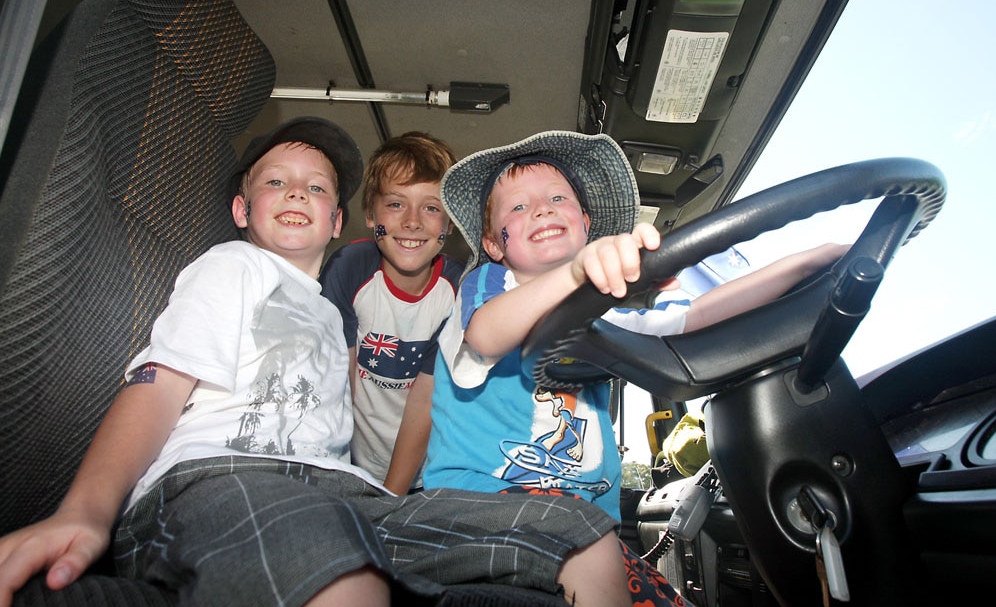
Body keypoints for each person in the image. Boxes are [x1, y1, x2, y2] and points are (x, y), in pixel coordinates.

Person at [0, 118, 633, 607]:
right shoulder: (232, 265)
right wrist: (86, 511)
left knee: (576, 528)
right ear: (243, 211)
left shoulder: (330, 314)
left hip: (341, 489)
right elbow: (159, 380)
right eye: (275, 181)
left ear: (333, 220)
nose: (296, 190)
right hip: (222, 476)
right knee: (329, 554)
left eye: (317, 186)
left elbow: (411, 396)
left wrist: (389, 490)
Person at [423, 130, 849, 519]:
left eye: (558, 199)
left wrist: (808, 260)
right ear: (494, 244)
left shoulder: (602, 316)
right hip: (478, 497)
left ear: (586, 224)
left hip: (586, 507)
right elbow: (484, 335)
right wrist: (574, 274)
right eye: (518, 206)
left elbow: (694, 319)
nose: (540, 210)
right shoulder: (490, 285)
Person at [320, 131, 460, 494]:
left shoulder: (457, 291)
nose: (413, 221)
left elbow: (424, 400)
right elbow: (338, 380)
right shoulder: (350, 268)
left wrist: (390, 500)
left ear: (449, 224)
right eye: (396, 204)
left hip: (426, 476)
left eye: (432, 208)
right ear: (370, 214)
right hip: (349, 463)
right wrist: (339, 473)